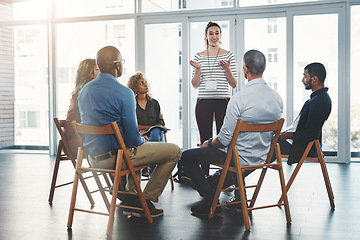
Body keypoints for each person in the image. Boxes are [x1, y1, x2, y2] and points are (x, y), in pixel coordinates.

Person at [77, 46, 181, 218]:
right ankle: (142, 200)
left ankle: (132, 198)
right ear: (117, 65)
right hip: (116, 159)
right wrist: (143, 141)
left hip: (92, 159)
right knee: (174, 151)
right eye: (122, 62)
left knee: (135, 150)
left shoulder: (84, 92)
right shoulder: (125, 93)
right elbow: (133, 139)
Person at [181, 49, 283, 217]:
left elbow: (224, 139)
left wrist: (209, 143)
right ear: (263, 69)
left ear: (245, 69)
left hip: (238, 158)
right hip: (264, 156)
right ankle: (232, 193)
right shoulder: (277, 98)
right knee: (235, 152)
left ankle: (210, 200)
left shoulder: (239, 98)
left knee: (186, 156)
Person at [190, 21, 238, 175]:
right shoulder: (198, 56)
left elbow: (234, 84)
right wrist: (197, 69)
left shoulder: (228, 55)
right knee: (205, 138)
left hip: (223, 101)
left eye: (217, 33)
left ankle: (225, 174)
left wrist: (227, 70)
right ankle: (205, 175)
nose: (214, 36)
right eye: (211, 33)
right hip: (204, 101)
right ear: (206, 36)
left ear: (220, 35)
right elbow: (195, 84)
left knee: (224, 139)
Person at [274, 62, 331, 165]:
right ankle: (240, 173)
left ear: (314, 79)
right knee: (266, 142)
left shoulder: (320, 101)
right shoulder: (318, 98)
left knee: (264, 145)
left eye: (305, 76)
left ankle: (240, 174)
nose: (302, 80)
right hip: (297, 143)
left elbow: (310, 134)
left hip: (301, 148)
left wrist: (286, 135)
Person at [127, 72, 167, 176]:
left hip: (155, 135)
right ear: (135, 88)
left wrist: (148, 129)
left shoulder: (154, 103)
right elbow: (132, 125)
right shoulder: (131, 104)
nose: (145, 85)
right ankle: (152, 170)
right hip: (140, 136)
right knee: (154, 132)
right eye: (141, 83)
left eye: (145, 82)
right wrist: (147, 129)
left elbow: (161, 123)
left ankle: (147, 164)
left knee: (156, 131)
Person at [63, 58, 99, 157]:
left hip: (82, 137)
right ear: (91, 75)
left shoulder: (84, 91)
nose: (101, 72)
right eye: (97, 70)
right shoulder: (84, 93)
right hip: (77, 142)